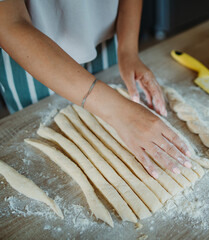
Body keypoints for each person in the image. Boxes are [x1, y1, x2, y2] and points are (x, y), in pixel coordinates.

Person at [0, 0, 192, 178]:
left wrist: (128, 50)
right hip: (30, 55)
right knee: (49, 154)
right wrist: (120, 112)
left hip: (106, 38)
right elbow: (9, 22)